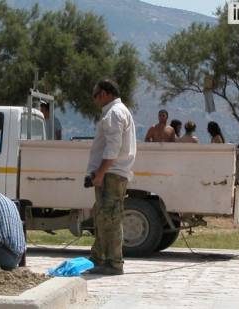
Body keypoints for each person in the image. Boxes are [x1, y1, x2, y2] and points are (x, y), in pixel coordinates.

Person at [86, 79, 136, 276]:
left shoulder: (115, 113)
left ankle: (114, 262)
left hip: (111, 173)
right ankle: (98, 257)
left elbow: (112, 148)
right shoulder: (113, 112)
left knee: (111, 218)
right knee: (102, 216)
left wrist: (100, 173)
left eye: (96, 95)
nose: (95, 99)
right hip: (108, 172)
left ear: (106, 93)